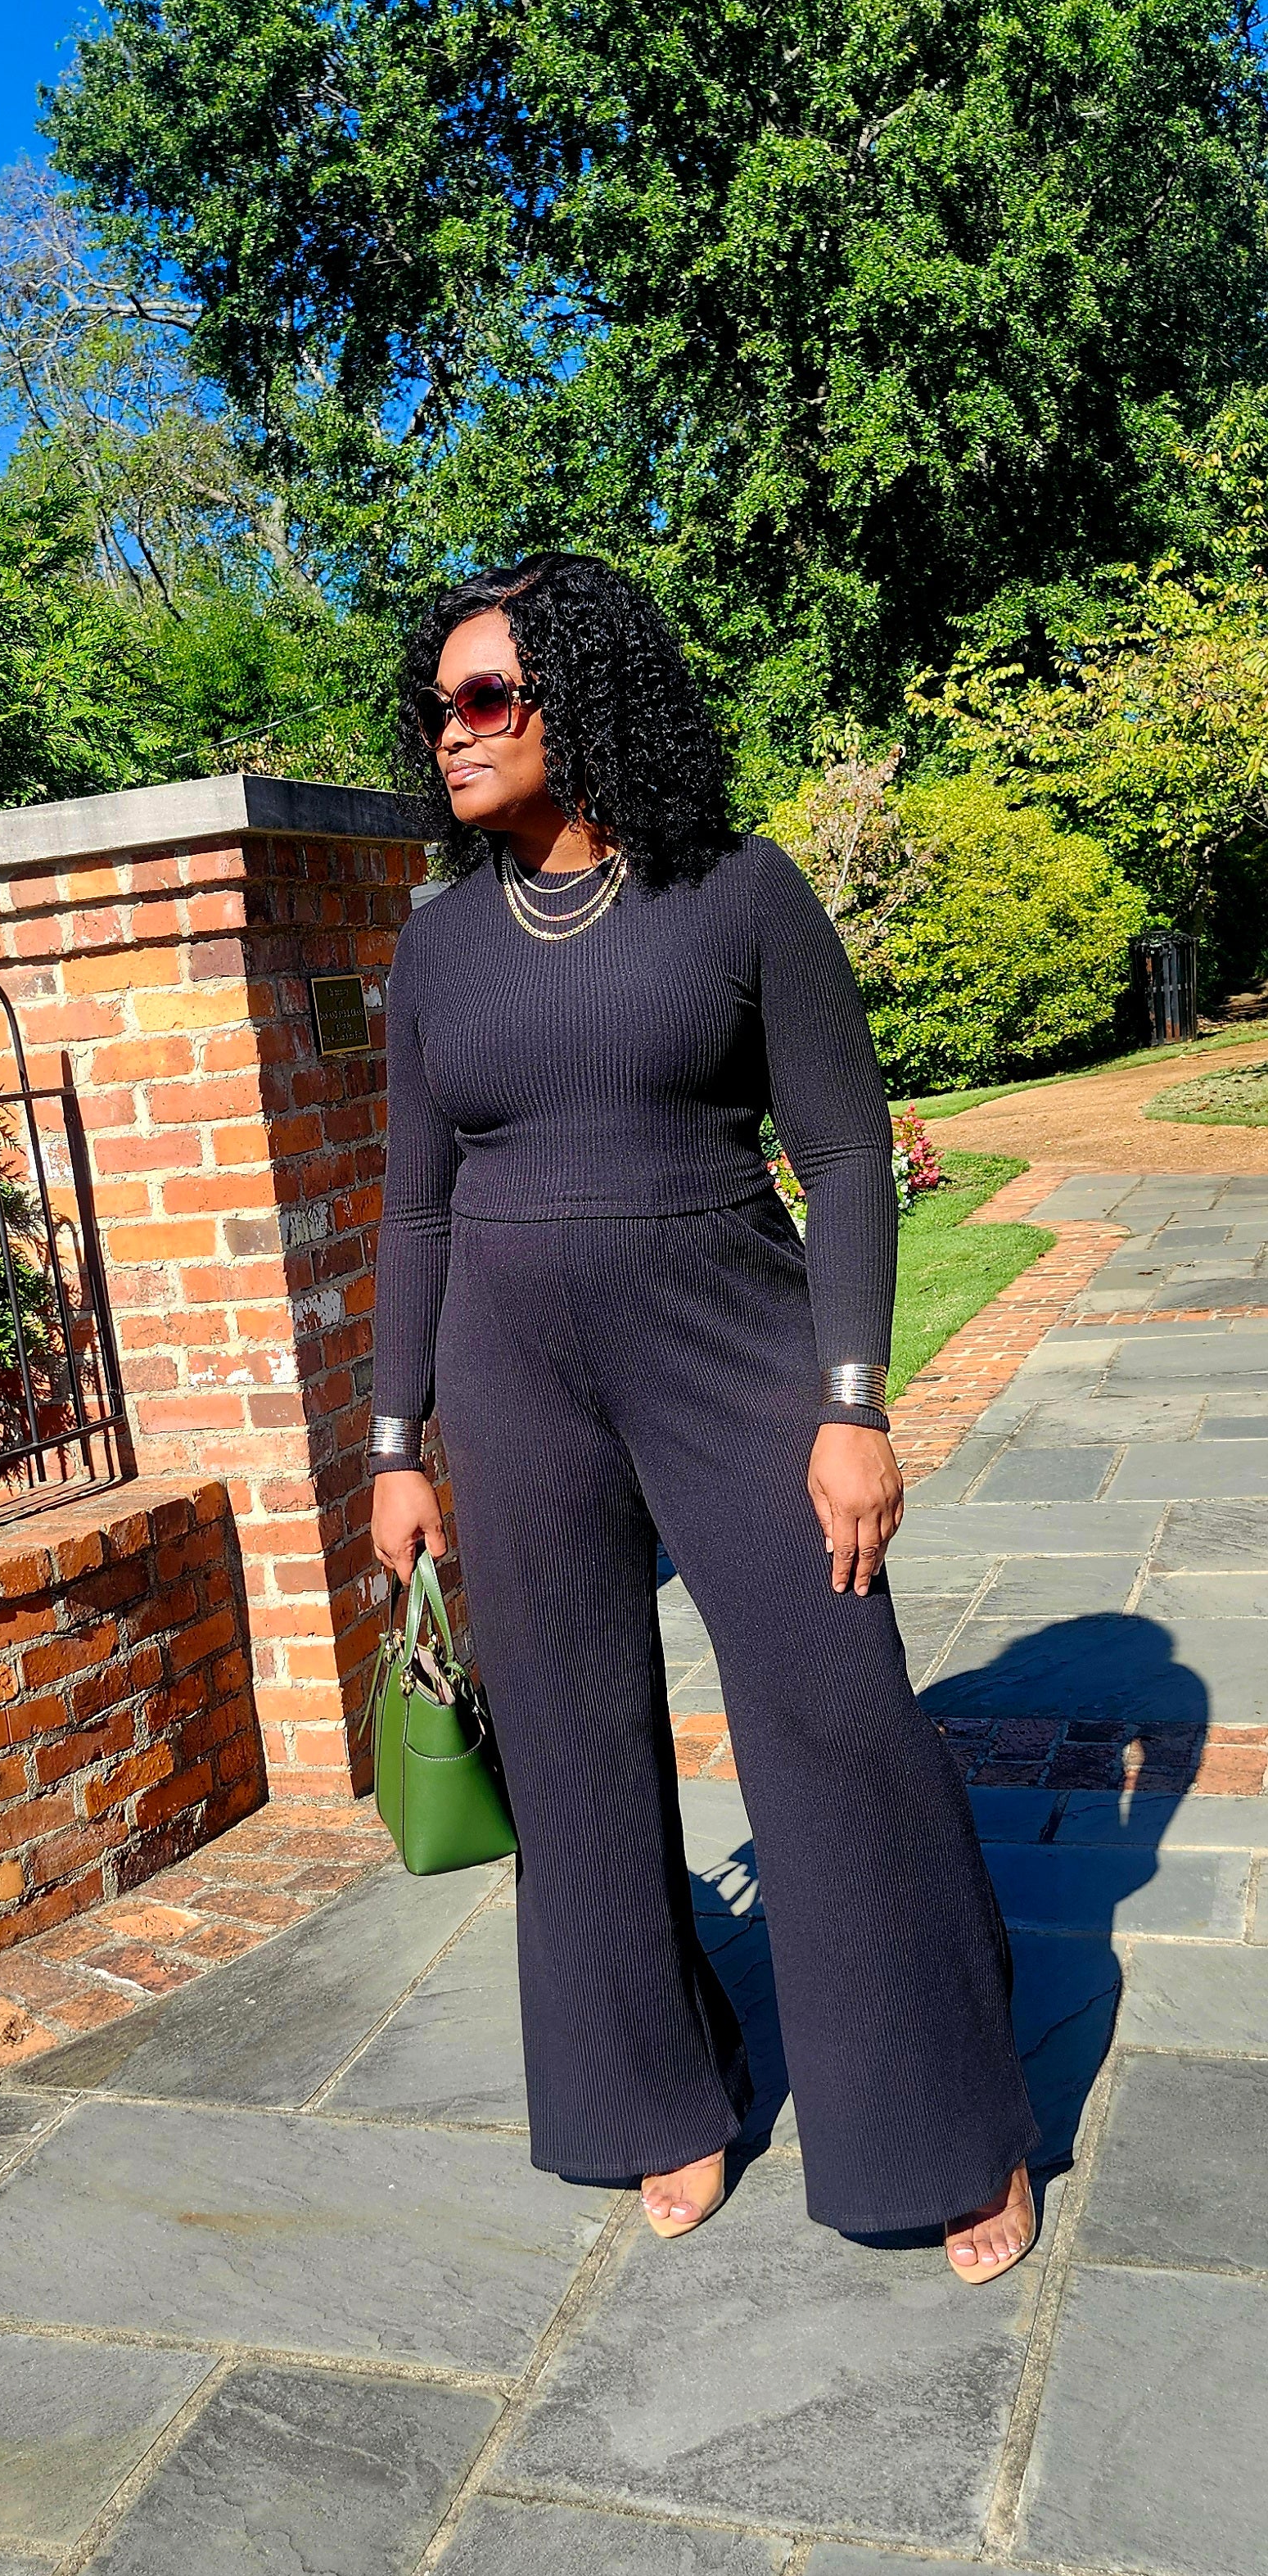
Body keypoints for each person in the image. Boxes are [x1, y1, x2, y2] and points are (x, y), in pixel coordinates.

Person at [367, 552, 1037, 2276]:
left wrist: (853, 1402)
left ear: (584, 698)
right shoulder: (438, 948)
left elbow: (841, 1156)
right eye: (437, 704)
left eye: (489, 698)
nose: (454, 730)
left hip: (732, 1345)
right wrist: (393, 1445)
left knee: (835, 1711)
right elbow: (417, 1209)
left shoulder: (740, 896)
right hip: (519, 1387)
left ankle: (945, 2120)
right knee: (576, 1740)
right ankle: (651, 2094)